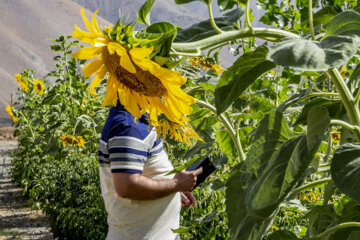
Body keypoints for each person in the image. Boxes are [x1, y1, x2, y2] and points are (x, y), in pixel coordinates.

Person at [98, 101, 203, 240]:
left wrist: (173, 192)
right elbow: (127, 186)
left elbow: (144, 174)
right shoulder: (129, 126)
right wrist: (176, 184)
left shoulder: (138, 120)